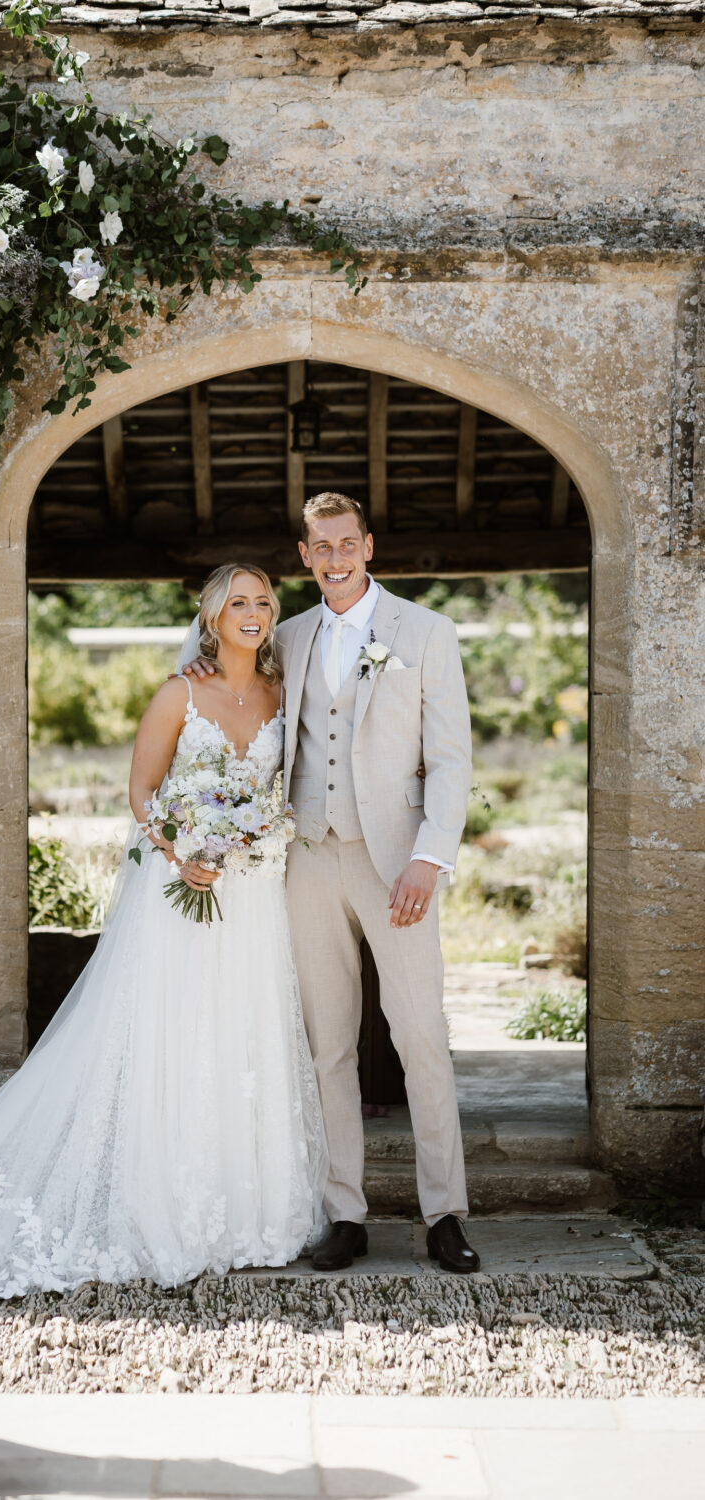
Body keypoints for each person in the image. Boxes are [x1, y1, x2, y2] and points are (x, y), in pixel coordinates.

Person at [0, 564, 328, 1295]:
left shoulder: (279, 692)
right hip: (180, 891)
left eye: (263, 601)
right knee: (171, 1036)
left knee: (242, 1035)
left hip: (254, 903)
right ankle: (165, 1205)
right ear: (211, 617)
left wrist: (253, 840)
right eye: (237, 601)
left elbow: (278, 790)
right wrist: (186, 852)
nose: (253, 611)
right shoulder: (181, 693)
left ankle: (250, 1211)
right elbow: (142, 792)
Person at [186, 493, 479, 1273]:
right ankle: (343, 1211)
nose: (337, 557)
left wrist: (431, 855)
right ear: (307, 554)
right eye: (323, 547)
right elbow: (241, 691)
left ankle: (444, 1213)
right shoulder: (288, 636)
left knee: (421, 1039)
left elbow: (451, 760)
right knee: (327, 1046)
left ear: (369, 547)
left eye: (348, 543)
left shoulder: (427, 632)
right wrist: (202, 669)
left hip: (398, 863)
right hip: (307, 859)